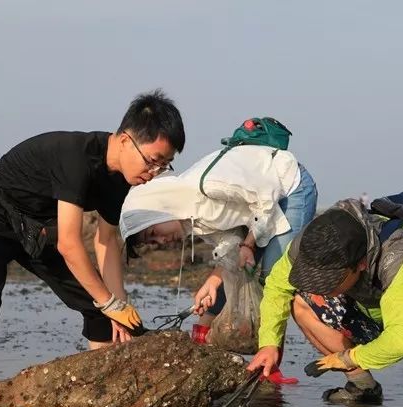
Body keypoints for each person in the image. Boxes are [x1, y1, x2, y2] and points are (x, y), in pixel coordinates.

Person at [0, 90, 185, 407]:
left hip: (36, 231)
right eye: (153, 161)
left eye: (164, 164)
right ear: (127, 140)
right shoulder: (76, 157)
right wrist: (108, 302)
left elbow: (106, 242)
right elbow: (71, 243)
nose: (154, 172)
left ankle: (109, 392)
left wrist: (118, 306)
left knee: (95, 305)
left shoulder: (120, 184)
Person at [119, 122, 318, 381]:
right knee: (233, 273)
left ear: (158, 208)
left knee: (273, 278)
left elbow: (265, 200)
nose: (161, 241)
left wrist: (249, 244)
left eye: (153, 233)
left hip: (289, 186)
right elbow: (228, 248)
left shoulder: (208, 186)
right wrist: (212, 282)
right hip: (259, 206)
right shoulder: (190, 214)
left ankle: (269, 366)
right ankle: (204, 343)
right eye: (153, 244)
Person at [247, 198, 403, 407]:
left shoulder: (397, 255)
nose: (322, 287)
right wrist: (269, 344)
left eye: (330, 280)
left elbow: (402, 340)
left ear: (360, 264)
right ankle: (362, 386)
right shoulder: (313, 241)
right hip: (376, 310)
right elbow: (277, 287)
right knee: (302, 302)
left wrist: (347, 358)